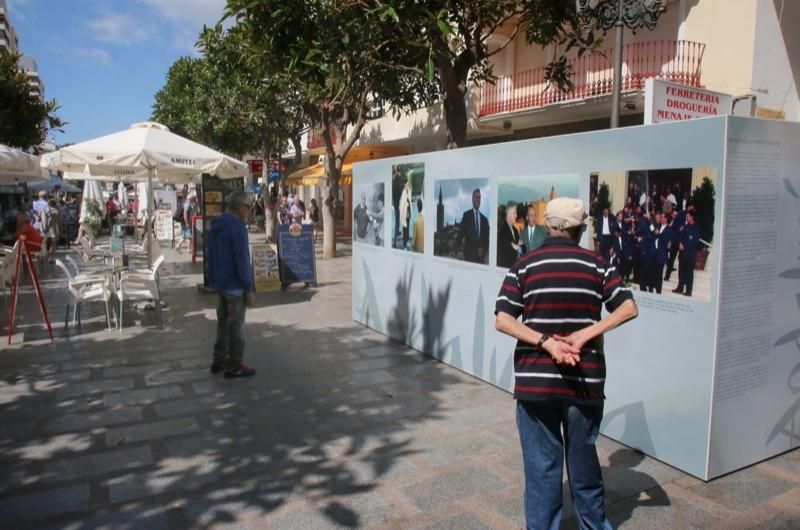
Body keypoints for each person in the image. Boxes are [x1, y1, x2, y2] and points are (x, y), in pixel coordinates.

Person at [494, 197, 638, 530]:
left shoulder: (525, 264)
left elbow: (503, 319)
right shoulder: (597, 263)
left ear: (548, 226)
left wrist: (544, 342)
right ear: (579, 229)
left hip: (535, 385)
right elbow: (628, 307)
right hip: (584, 384)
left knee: (542, 473)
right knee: (584, 468)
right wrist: (587, 333)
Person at [207, 191, 256, 378]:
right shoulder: (237, 227)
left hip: (220, 283)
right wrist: (248, 288)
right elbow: (242, 259)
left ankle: (218, 359)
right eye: (248, 207)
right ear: (239, 207)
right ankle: (235, 364)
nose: (250, 211)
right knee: (236, 327)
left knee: (222, 323)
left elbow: (210, 255)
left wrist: (213, 280)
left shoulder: (216, 225)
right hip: (235, 285)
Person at [453, 188, 490, 263]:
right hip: (469, 258)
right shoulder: (467, 215)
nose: (477, 199)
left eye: (479, 197)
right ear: (472, 199)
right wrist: (454, 250)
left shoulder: (484, 220)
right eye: (476, 197)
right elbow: (460, 235)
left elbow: (486, 239)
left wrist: (484, 249)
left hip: (480, 259)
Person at [673, 211, 700, 297]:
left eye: (688, 216)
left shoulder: (696, 228)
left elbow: (694, 241)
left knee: (689, 273)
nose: (686, 218)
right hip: (682, 254)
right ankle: (680, 288)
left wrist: (684, 245)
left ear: (692, 217)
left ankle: (689, 290)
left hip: (690, 255)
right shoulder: (685, 226)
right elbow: (679, 236)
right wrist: (680, 243)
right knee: (681, 272)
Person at [497, 203, 521, 268]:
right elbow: (506, 253)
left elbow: (521, 246)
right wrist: (518, 248)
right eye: (514, 213)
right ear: (508, 214)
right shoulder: (502, 231)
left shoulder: (515, 230)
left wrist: (518, 248)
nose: (516, 216)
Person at [40, 198, 62, 263]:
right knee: (53, 244)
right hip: (53, 231)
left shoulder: (43, 210)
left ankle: (42, 257)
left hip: (44, 230)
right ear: (55, 204)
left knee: (44, 244)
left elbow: (39, 219)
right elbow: (59, 223)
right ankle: (52, 258)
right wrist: (61, 231)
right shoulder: (56, 211)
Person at [392, 167, 404, 247]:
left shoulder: (394, 180)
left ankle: (397, 233)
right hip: (399, 204)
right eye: (400, 172)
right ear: (398, 172)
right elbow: (401, 192)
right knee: (397, 222)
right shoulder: (399, 180)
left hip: (395, 204)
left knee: (397, 221)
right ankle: (395, 242)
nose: (400, 174)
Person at [398, 179, 412, 250]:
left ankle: (406, 243)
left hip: (408, 214)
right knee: (405, 230)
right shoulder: (403, 193)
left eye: (408, 185)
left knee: (407, 229)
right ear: (404, 185)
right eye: (406, 185)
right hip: (404, 214)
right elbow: (401, 204)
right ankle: (404, 244)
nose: (407, 186)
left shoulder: (408, 192)